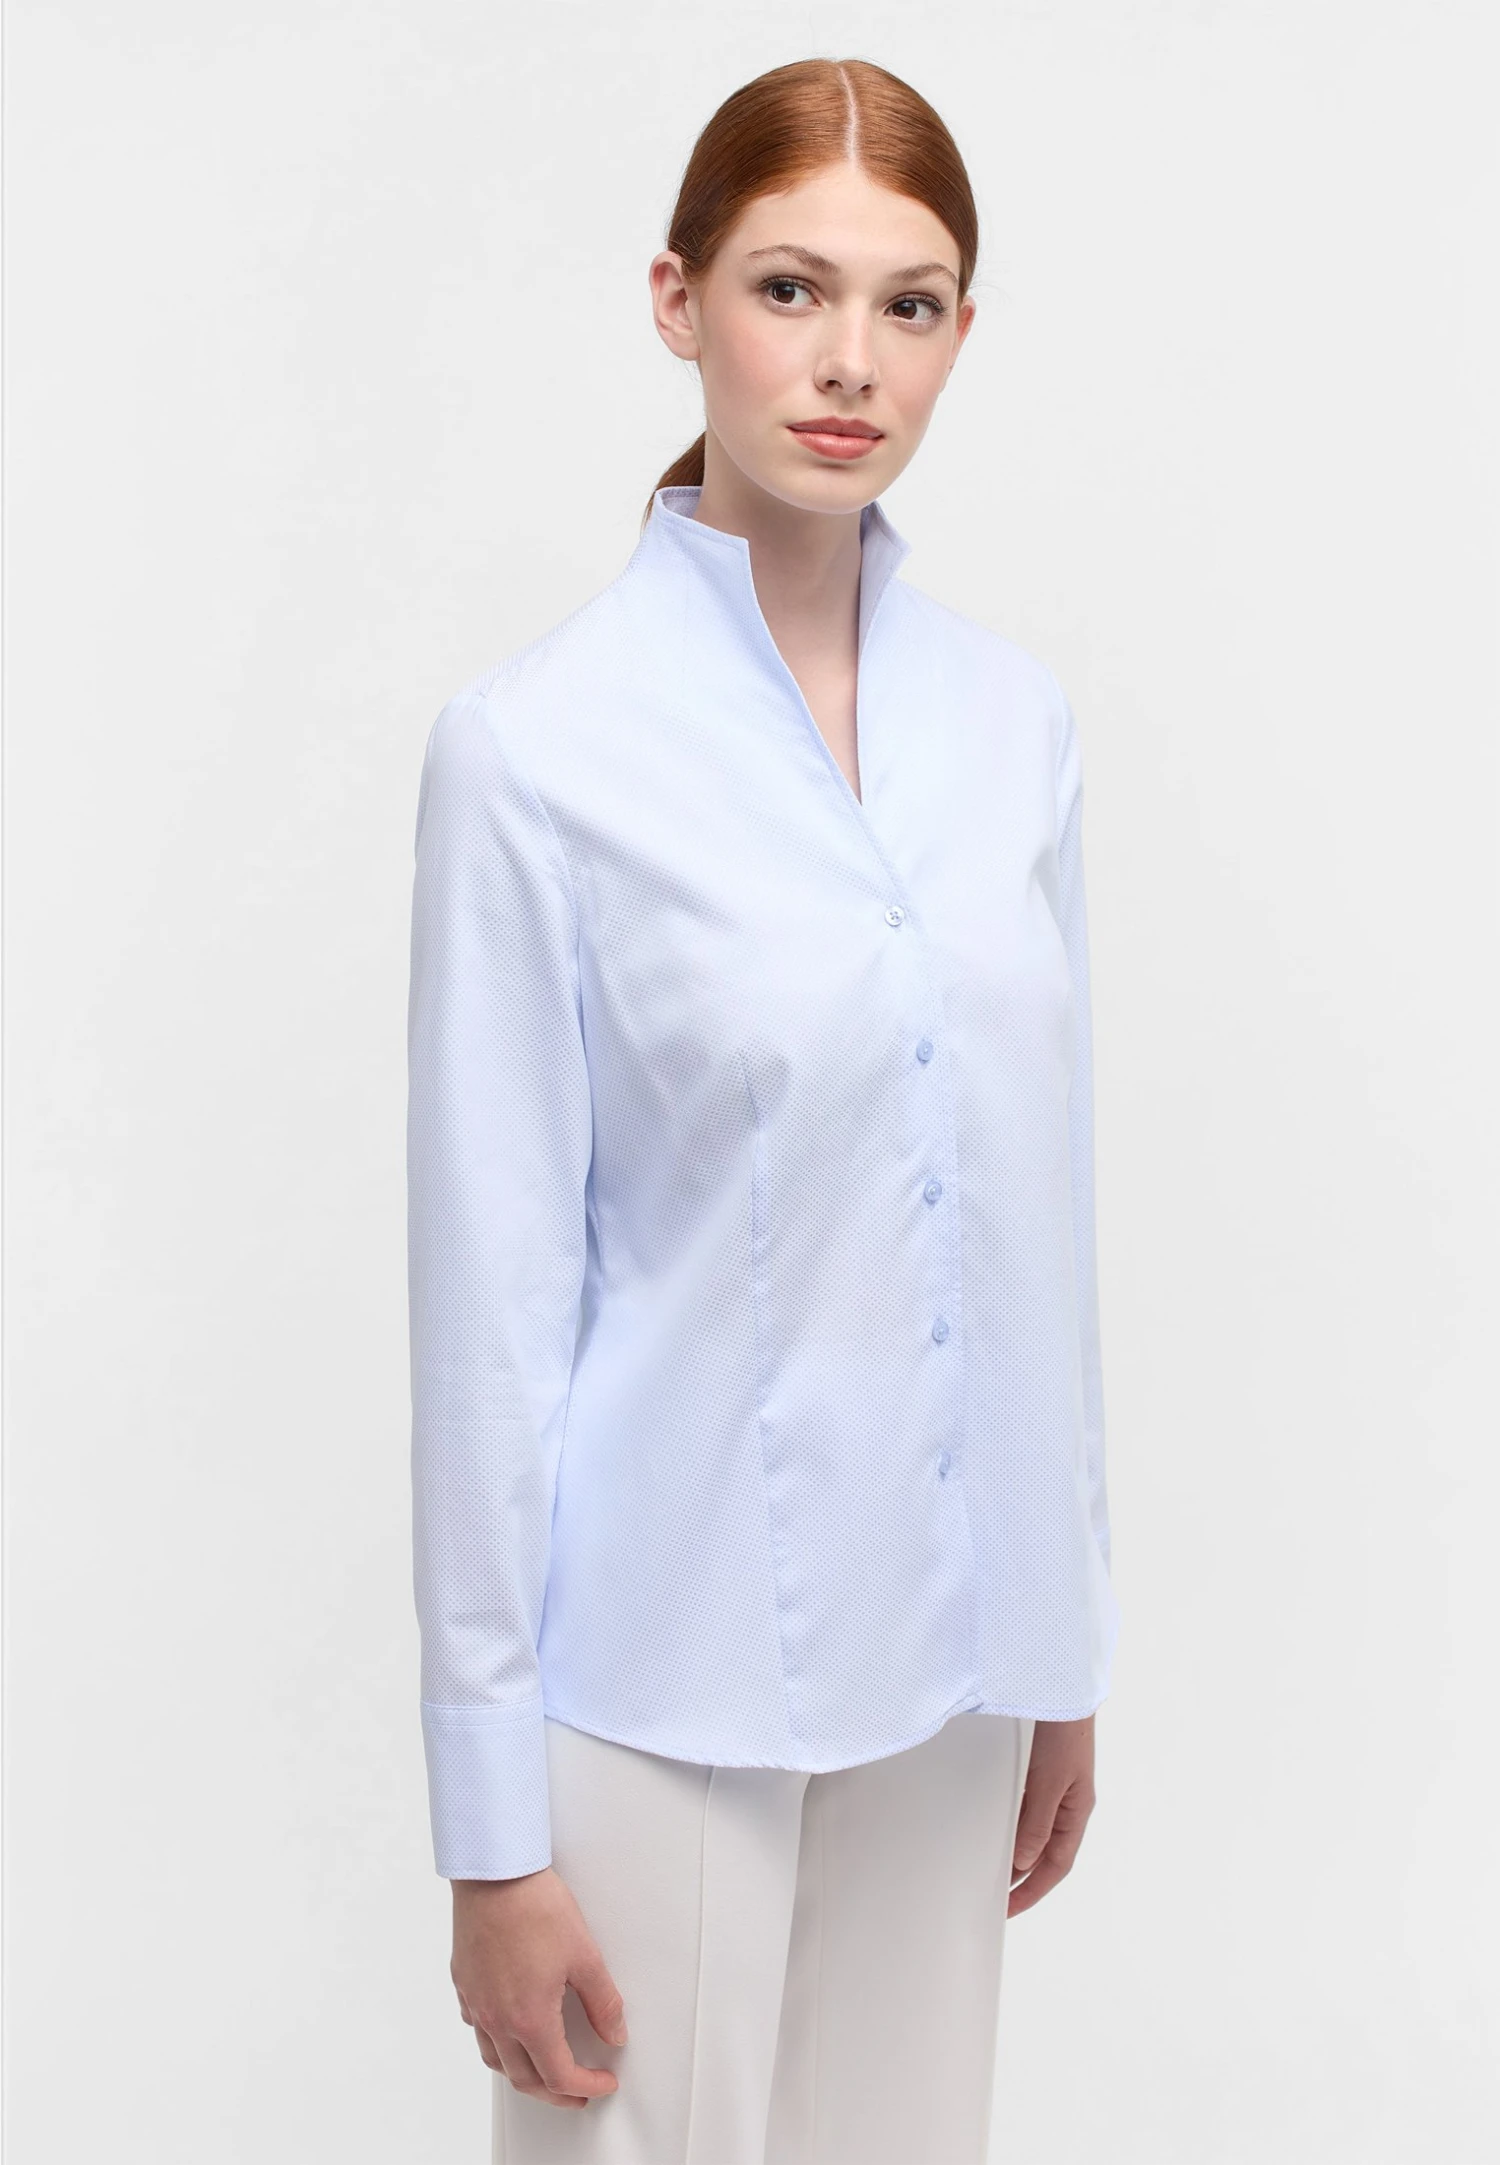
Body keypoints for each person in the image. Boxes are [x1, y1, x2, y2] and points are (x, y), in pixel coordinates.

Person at [406, 54, 1120, 2165]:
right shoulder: (537, 754)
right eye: (790, 287)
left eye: (912, 304)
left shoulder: (1017, 730)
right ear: (679, 300)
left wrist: (1063, 1637)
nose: (849, 360)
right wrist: (492, 1831)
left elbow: (1040, 1213)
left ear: (963, 334)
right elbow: (489, 1310)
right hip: (660, 1671)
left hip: (958, 1661)